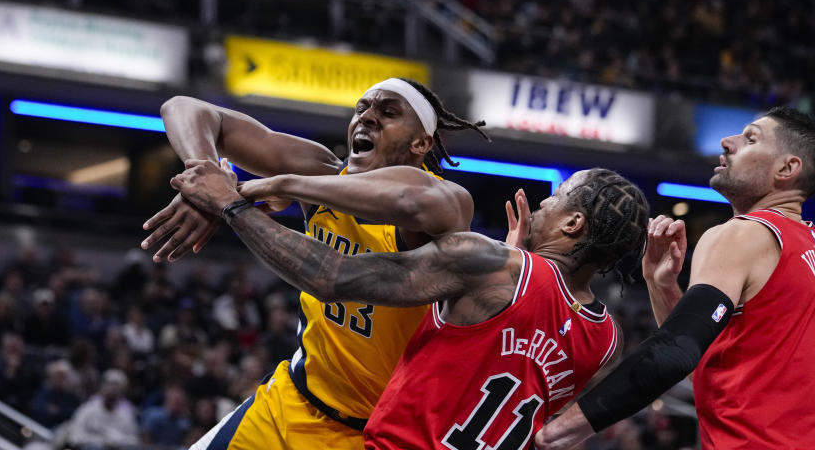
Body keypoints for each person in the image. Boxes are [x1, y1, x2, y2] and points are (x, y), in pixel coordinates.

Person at [171, 160, 650, 449]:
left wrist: (232, 206)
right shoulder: (608, 342)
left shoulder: (490, 265)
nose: (544, 203)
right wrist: (514, 261)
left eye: (558, 197)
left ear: (573, 225)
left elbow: (333, 277)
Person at [142, 78, 487, 449]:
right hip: (289, 402)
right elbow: (185, 107)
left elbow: (410, 197)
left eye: (388, 112)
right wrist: (206, 177)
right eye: (362, 108)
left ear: (421, 143)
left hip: (371, 434)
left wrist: (267, 186)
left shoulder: (448, 202)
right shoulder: (323, 171)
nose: (367, 117)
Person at [536, 106, 815, 450]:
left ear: (787, 168)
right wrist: (662, 286)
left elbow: (674, 351)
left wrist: (555, 434)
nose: (727, 141)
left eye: (750, 138)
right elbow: (709, 370)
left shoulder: (742, 235)